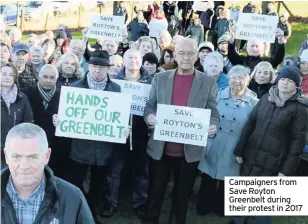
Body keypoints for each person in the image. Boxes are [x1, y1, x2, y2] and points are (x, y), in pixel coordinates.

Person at [142, 38, 220, 224]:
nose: (186, 57)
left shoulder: (208, 82)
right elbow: (149, 106)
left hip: (189, 153)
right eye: (182, 53)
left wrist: (213, 126)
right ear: (175, 55)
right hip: (160, 150)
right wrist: (150, 118)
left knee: (182, 197)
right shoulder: (160, 78)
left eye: (190, 53)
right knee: (155, 194)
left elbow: (214, 112)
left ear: (198, 57)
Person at [232, 65, 308, 224]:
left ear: (297, 85)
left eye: (290, 81)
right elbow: (250, 124)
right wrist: (239, 149)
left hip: (274, 163)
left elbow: (298, 144)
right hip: (251, 156)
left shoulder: (300, 109)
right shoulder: (266, 98)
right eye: (283, 79)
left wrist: (286, 171)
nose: (285, 83)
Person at [53, 50, 125, 217]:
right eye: (93, 66)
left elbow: (117, 118)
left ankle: (90, 217)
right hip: (79, 150)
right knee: (74, 186)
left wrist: (122, 128)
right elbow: (66, 116)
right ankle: (72, 216)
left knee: (98, 188)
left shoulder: (116, 90)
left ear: (108, 69)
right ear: (88, 66)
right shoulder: (75, 88)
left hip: (103, 151)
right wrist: (59, 120)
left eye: (101, 67)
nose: (97, 71)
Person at [1, 123, 95, 223]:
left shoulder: (73, 198)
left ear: (47, 156)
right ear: (6, 156)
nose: (24, 166)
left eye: (33, 157)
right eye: (16, 157)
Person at [197, 65, 258, 217]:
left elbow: (255, 128)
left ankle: (221, 208)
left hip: (235, 146)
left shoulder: (254, 102)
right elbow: (207, 114)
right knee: (209, 176)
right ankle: (203, 205)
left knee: (229, 179)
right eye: (233, 77)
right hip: (215, 142)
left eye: (241, 78)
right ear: (228, 78)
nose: (237, 81)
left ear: (247, 81)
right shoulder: (218, 95)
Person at [101, 49, 151, 219]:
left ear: (141, 60)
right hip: (118, 133)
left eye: (136, 58)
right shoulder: (114, 82)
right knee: (114, 171)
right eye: (129, 57)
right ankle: (110, 202)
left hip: (141, 133)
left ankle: (140, 204)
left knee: (141, 172)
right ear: (123, 60)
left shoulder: (150, 82)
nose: (133, 61)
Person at [23, 64, 70, 178]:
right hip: (32, 144)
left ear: (57, 78)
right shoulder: (25, 94)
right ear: (39, 76)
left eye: (52, 77)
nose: (48, 80)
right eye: (45, 77)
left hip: (57, 149)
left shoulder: (65, 96)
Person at [1, 63, 34, 169]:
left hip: (14, 151)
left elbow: (28, 125)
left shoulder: (22, 99)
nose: (7, 77)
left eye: (11, 75)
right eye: (4, 74)